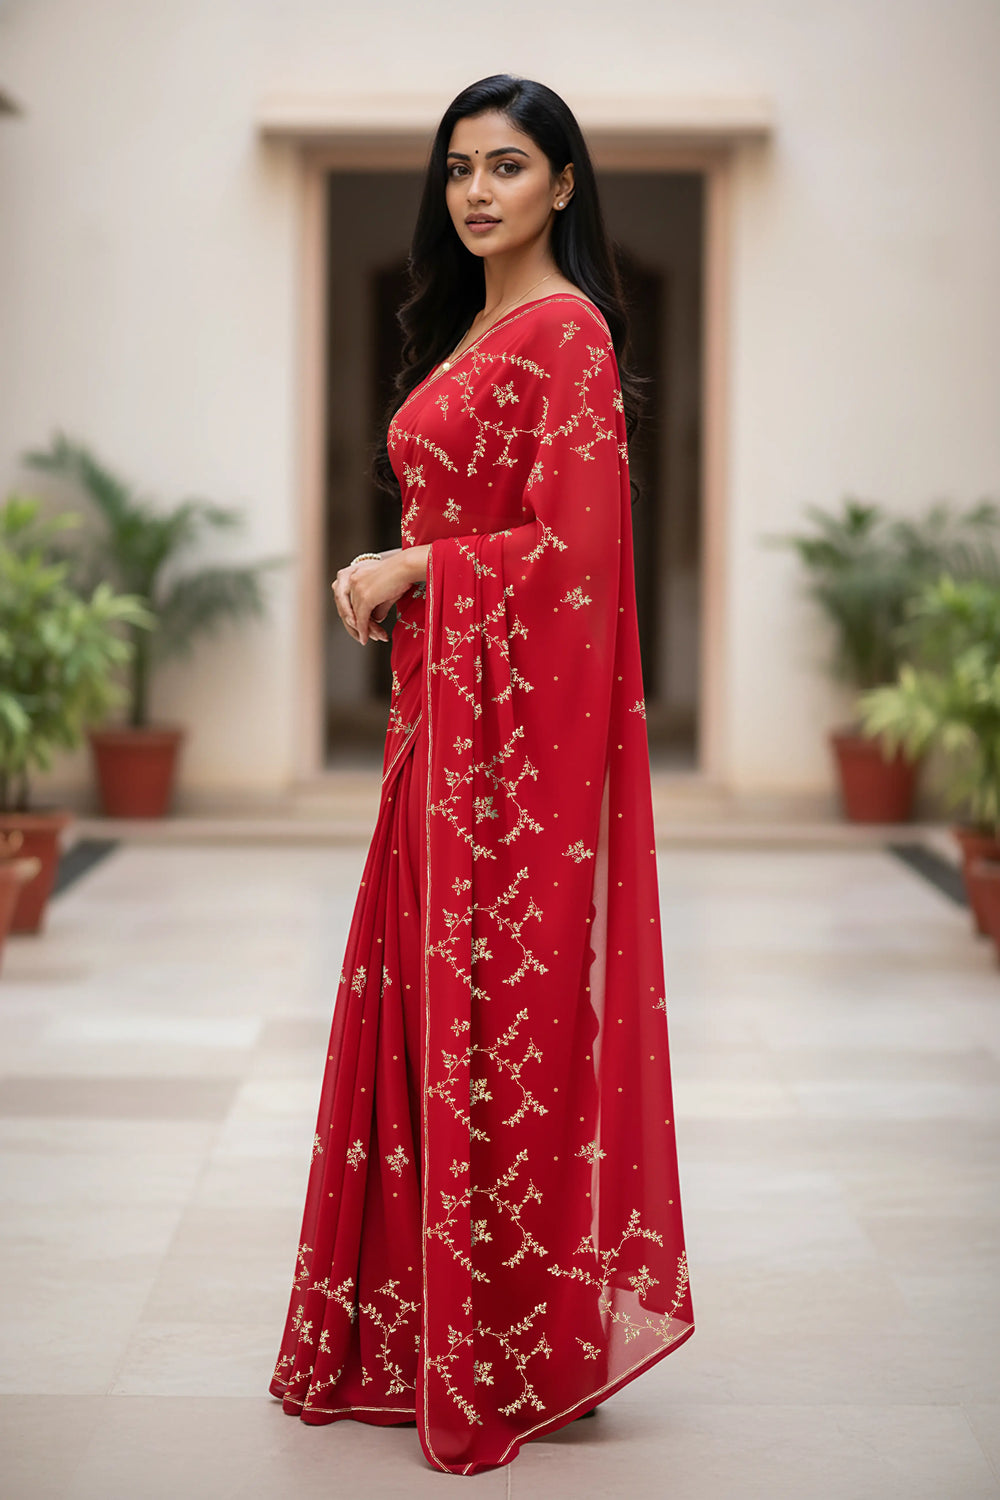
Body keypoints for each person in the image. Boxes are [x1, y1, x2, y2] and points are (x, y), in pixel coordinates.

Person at [269, 73, 695, 1477]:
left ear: (564, 185)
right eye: (459, 167)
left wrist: (415, 567)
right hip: (437, 735)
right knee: (427, 1011)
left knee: (495, 1022)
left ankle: (514, 1344)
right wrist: (397, 578)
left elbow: (576, 561)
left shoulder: (565, 331)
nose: (476, 192)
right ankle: (433, 1328)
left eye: (509, 166)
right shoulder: (473, 323)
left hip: (507, 754)